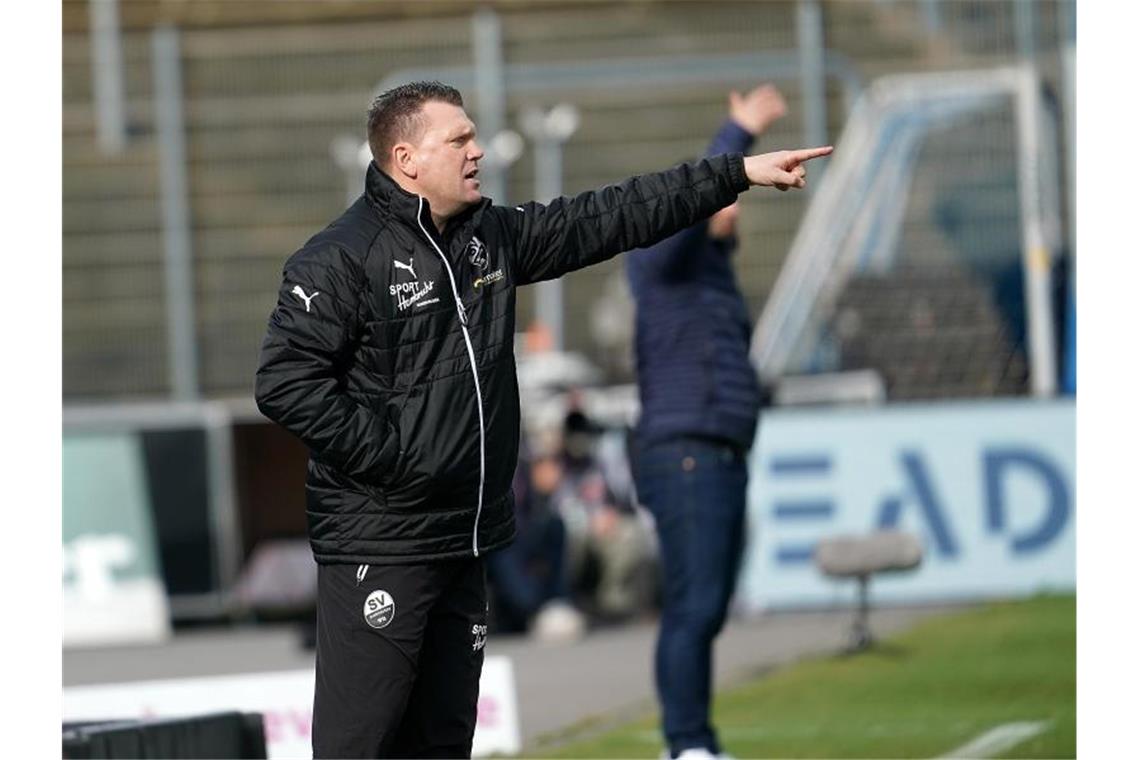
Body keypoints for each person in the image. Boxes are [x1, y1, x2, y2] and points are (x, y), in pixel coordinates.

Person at [254, 80, 828, 759]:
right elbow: (284, 382)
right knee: (361, 745)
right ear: (406, 159)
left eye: (475, 136)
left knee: (441, 746)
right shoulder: (340, 257)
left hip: (464, 541)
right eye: (459, 140)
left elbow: (612, 215)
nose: (478, 151)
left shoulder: (489, 238)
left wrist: (733, 173)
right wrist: (397, 460)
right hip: (381, 542)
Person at [625, 83, 788, 760]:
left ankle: (692, 741)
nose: (730, 203)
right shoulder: (661, 261)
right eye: (722, 194)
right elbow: (692, 202)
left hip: (715, 448)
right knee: (695, 606)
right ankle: (687, 744)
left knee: (708, 606)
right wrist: (738, 133)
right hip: (685, 449)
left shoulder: (713, 278)